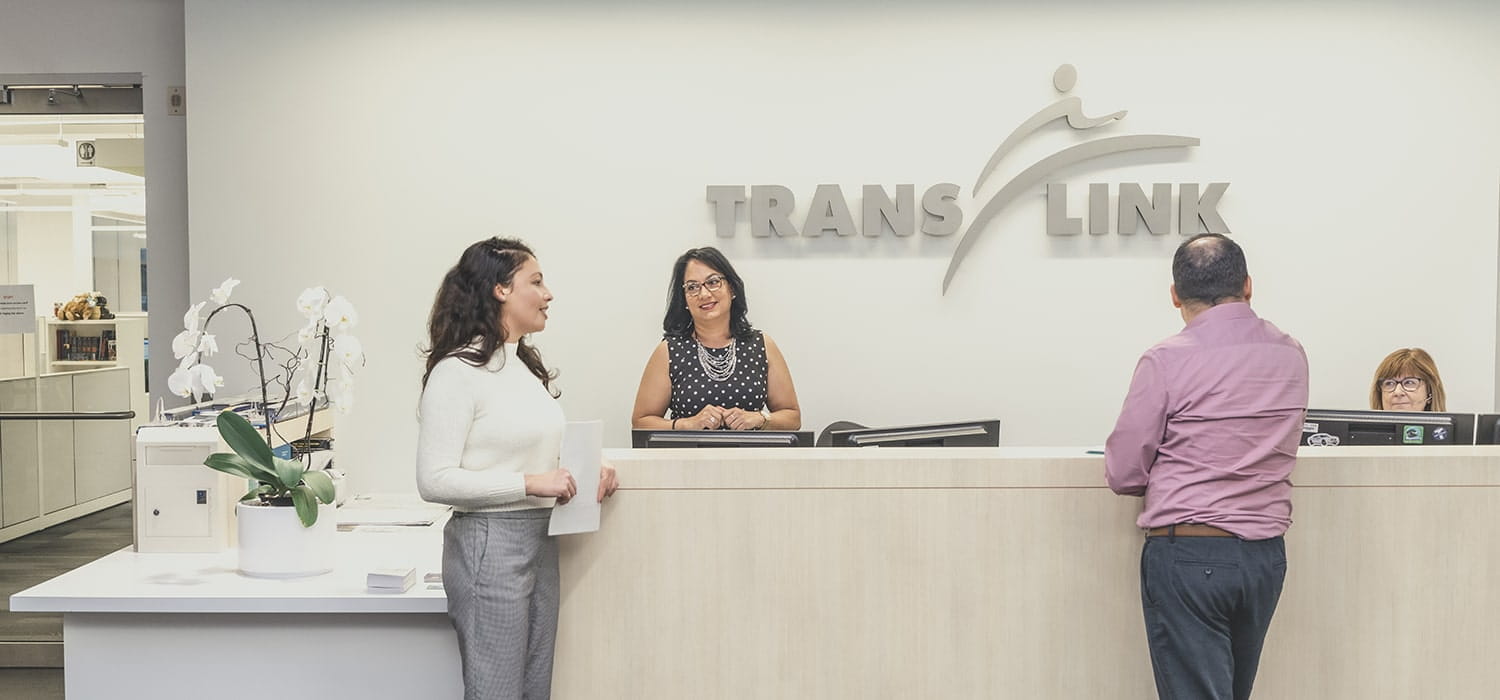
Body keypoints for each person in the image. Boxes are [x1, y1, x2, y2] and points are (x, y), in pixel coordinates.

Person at [1104, 233, 1308, 700]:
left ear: (1175, 296)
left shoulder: (1166, 360)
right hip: (1264, 558)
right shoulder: (1290, 353)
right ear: (1249, 286)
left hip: (1189, 555)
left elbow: (1124, 473)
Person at [416, 236, 618, 700]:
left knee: (533, 691)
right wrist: (530, 483)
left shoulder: (522, 367)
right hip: (491, 542)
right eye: (537, 281)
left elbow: (537, 452)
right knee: (496, 693)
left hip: (541, 538)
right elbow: (434, 479)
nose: (548, 295)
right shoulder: (457, 372)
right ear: (500, 290)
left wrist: (592, 468)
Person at [632, 246, 800, 431]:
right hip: (688, 458)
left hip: (751, 457)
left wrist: (760, 418)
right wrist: (686, 424)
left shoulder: (761, 345)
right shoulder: (669, 351)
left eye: (713, 282)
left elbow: (792, 418)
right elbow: (641, 422)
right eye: (692, 287)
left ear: (732, 289)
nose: (704, 294)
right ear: (685, 300)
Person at [1369, 347, 1446, 412]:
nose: (1398, 392)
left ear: (1430, 392)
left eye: (1409, 382)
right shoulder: (1360, 430)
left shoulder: (1455, 430)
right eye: (1389, 383)